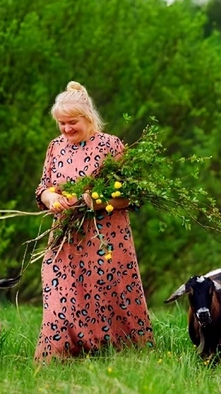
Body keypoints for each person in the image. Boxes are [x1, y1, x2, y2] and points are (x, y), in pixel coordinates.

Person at [33, 82, 154, 361]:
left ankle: (114, 353)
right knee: (58, 294)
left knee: (106, 298)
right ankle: (55, 358)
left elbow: (132, 194)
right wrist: (51, 198)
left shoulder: (110, 146)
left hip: (105, 239)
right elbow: (43, 187)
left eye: (71, 122)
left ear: (88, 118)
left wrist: (94, 200)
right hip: (65, 238)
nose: (66, 129)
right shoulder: (55, 147)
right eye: (61, 123)